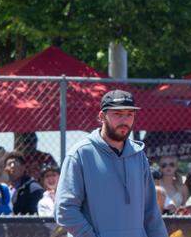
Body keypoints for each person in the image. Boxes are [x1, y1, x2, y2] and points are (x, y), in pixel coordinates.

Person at [55, 90, 167, 237]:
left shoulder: (139, 156)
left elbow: (151, 211)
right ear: (102, 116)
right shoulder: (80, 155)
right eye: (118, 114)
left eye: (129, 114)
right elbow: (65, 210)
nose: (124, 120)